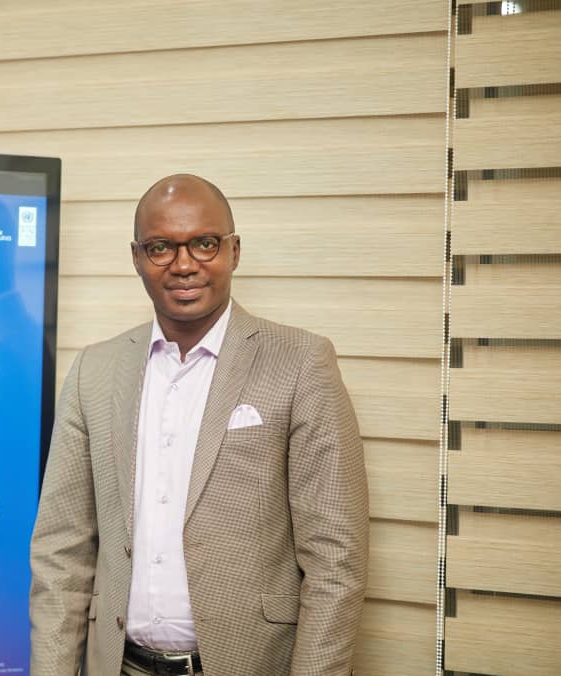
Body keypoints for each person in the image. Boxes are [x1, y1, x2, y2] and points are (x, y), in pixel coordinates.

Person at [30, 174, 369, 675]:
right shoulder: (93, 372)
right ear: (137, 258)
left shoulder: (300, 363)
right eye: (161, 247)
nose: (184, 264)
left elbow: (335, 560)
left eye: (205, 244)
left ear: (234, 251)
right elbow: (62, 551)